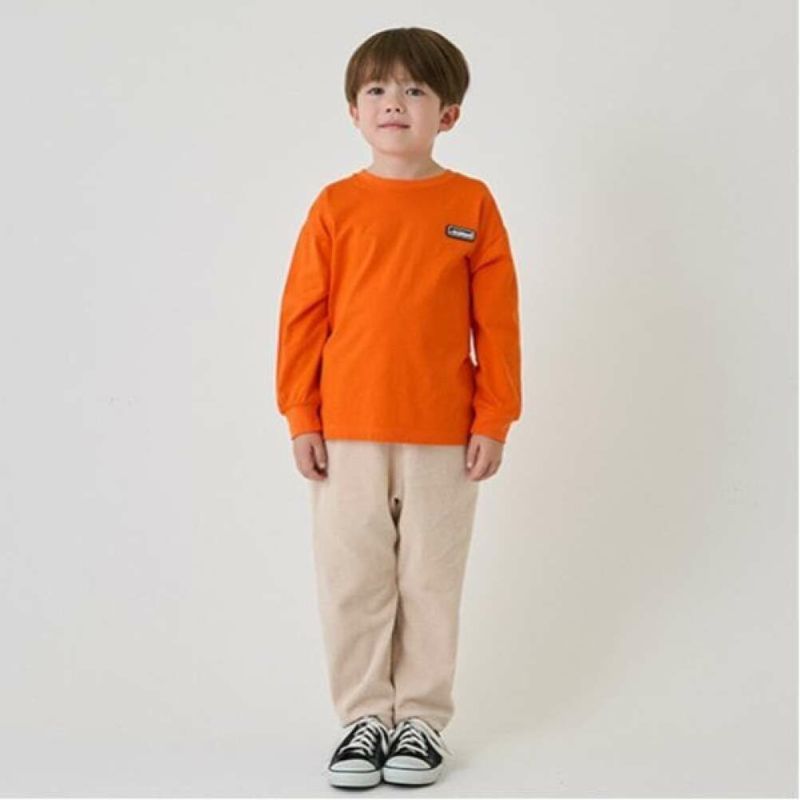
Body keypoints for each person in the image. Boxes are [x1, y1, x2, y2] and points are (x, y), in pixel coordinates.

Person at [275, 26, 522, 789]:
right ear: (354, 111)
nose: (394, 102)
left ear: (447, 114)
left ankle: (420, 720)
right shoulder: (335, 206)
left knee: (429, 582)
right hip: (346, 432)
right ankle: (362, 720)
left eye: (415, 90)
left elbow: (497, 323)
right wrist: (301, 414)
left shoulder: (471, 204)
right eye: (377, 89)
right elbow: (302, 317)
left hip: (444, 435)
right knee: (353, 581)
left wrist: (493, 418)